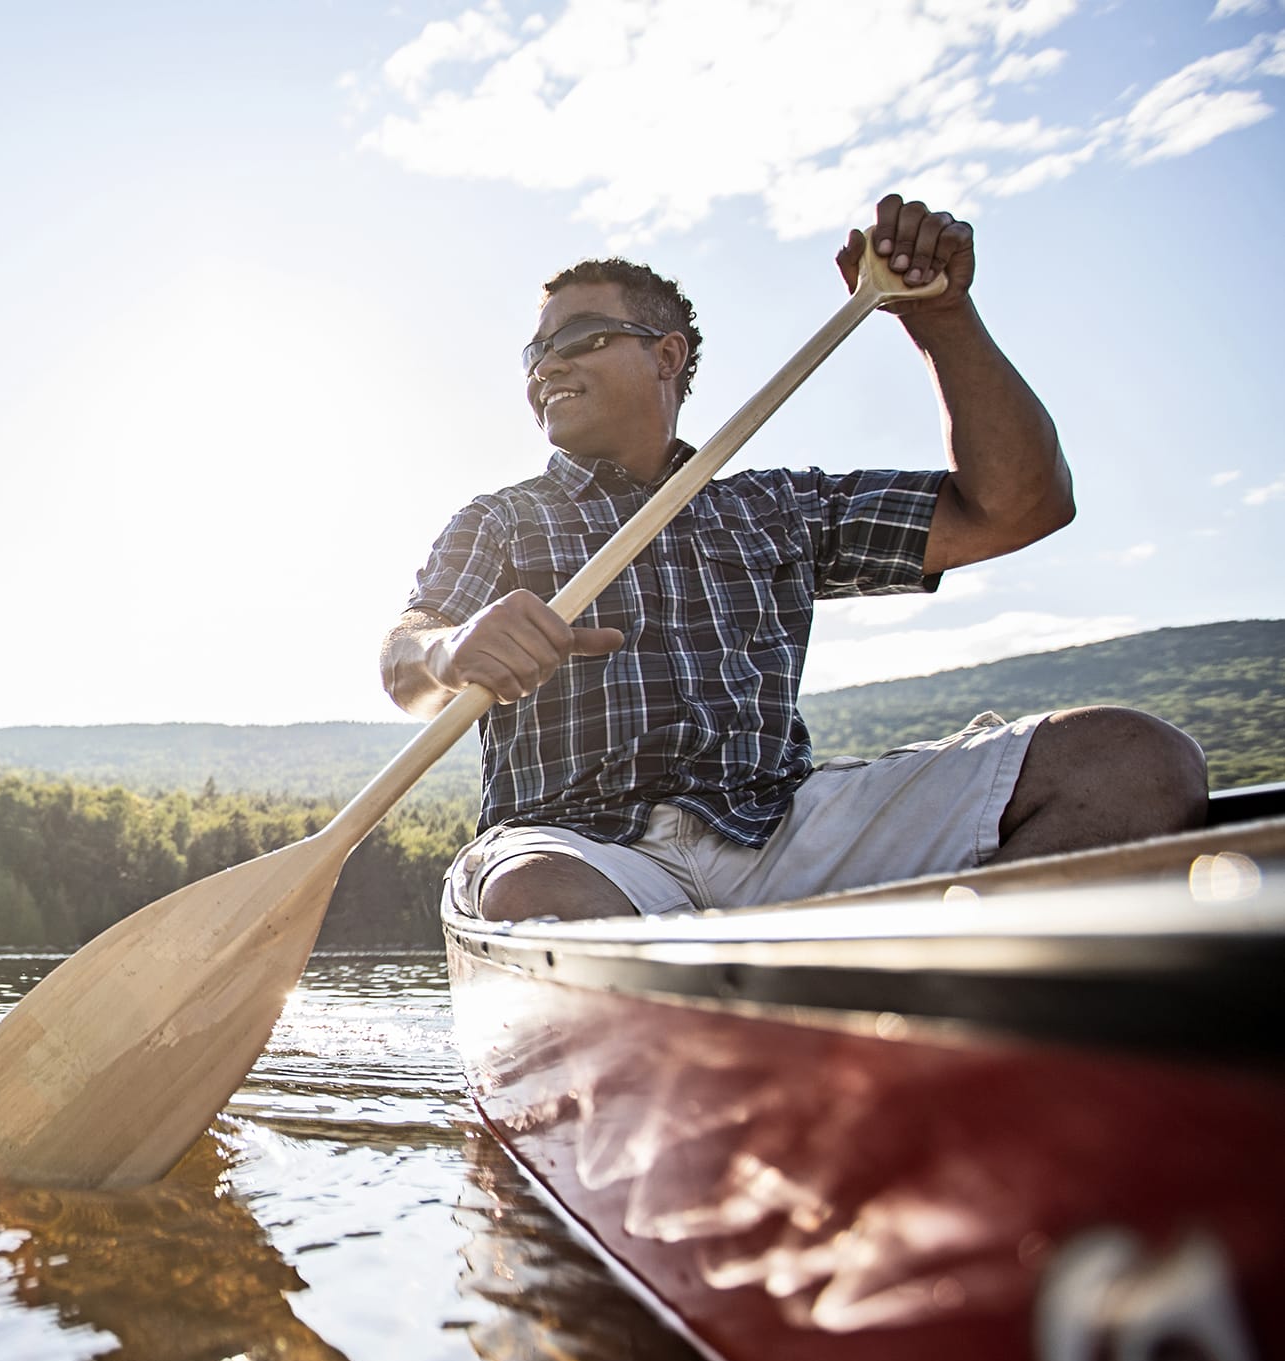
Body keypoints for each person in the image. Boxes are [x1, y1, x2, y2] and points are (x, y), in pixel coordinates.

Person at [381, 195, 1208, 923]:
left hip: (778, 826)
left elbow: (1017, 506)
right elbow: (404, 660)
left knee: (1132, 758)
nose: (548, 364)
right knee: (531, 892)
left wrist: (942, 322)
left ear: (666, 357)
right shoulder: (499, 521)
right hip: (575, 845)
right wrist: (449, 649)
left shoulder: (774, 507)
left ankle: (960, 1007)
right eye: (536, 354)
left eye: (581, 338)